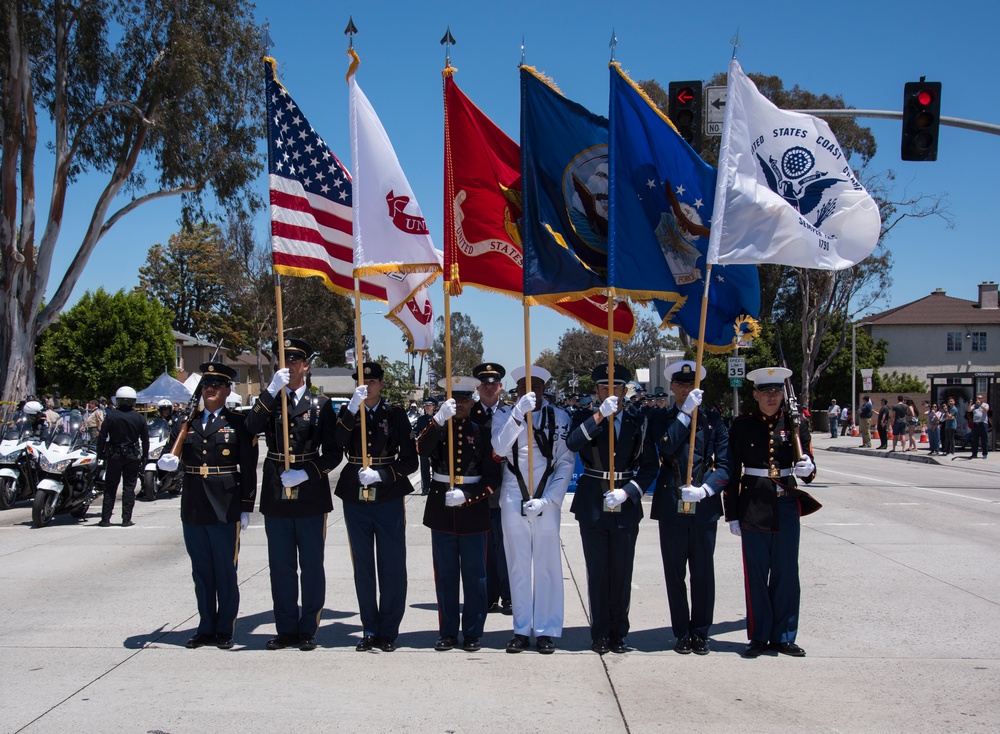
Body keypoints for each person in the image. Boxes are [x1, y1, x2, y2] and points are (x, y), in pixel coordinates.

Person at [246, 339, 343, 652]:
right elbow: (249, 427)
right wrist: (270, 391)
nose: (289, 365)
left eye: (296, 360)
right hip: (276, 490)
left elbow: (333, 454)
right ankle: (286, 628)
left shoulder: (321, 405)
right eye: (283, 359)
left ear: (306, 366)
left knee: (312, 565)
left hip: (310, 493)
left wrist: (306, 473)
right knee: (281, 565)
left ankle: (308, 628)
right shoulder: (270, 400)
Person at [157, 362, 258, 650]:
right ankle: (205, 627)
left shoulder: (238, 423)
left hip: (225, 503)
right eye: (206, 385)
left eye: (216, 385)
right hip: (193, 503)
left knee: (225, 570)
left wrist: (246, 505)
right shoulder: (186, 422)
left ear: (228, 390)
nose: (210, 390)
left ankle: (225, 628)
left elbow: (249, 468)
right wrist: (167, 462)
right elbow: (171, 454)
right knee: (201, 570)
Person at [725, 367, 820, 658]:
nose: (772, 397)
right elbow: (731, 471)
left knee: (787, 573)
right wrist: (732, 513)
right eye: (766, 392)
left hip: (786, 503)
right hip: (753, 502)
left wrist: (809, 469)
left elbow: (809, 465)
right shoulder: (741, 425)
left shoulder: (796, 423)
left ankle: (784, 636)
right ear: (755, 394)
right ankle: (759, 636)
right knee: (756, 574)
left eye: (776, 392)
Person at [568, 363, 658, 655]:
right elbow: (573, 442)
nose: (611, 392)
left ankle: (620, 632)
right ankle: (600, 633)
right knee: (598, 572)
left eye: (616, 387)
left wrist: (628, 492)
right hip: (593, 500)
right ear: (596, 390)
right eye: (604, 387)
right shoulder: (584, 416)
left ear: (624, 389)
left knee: (621, 572)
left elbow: (648, 467)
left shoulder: (638, 420)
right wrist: (599, 415)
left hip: (625, 501)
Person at [333, 361, 418, 652]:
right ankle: (369, 629)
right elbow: (336, 443)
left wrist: (382, 474)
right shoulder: (349, 412)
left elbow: (410, 461)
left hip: (387, 494)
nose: (366, 386)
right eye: (361, 381)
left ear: (382, 384)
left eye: (372, 382)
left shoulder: (395, 415)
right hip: (355, 492)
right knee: (363, 566)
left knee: (391, 564)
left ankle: (389, 631)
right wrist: (351, 408)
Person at [492, 365, 574, 654]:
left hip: (546, 497)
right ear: (516, 391)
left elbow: (565, 461)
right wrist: (517, 414)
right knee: (517, 566)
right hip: (514, 494)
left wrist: (550, 499)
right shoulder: (504, 415)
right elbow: (499, 449)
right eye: (525, 388)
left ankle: (546, 629)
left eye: (536, 388)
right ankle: (520, 629)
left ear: (543, 389)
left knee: (548, 565)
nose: (531, 393)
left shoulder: (559, 417)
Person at [651, 360, 730, 656]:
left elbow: (725, 464)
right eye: (680, 385)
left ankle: (701, 632)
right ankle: (681, 632)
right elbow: (666, 446)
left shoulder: (713, 421)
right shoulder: (663, 417)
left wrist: (706, 489)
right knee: (674, 574)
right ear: (672, 387)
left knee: (703, 573)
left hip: (704, 507)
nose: (685, 389)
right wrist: (684, 415)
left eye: (690, 384)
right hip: (672, 504)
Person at [417, 376, 497, 652]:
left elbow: (493, 476)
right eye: (455, 399)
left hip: (473, 510)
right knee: (446, 575)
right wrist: (438, 421)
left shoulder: (484, 430)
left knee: (476, 576)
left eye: (465, 399)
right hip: (441, 506)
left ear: (473, 399)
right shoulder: (438, 426)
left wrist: (470, 496)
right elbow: (421, 450)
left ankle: (473, 632)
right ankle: (448, 632)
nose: (460, 404)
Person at [471, 362, 512, 616]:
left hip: (506, 488)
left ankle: (508, 596)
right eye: (484, 383)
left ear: (500, 387)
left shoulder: (511, 413)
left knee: (506, 546)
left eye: (493, 384)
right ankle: (487, 595)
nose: (488, 388)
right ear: (478, 387)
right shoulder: (468, 413)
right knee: (483, 548)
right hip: (477, 491)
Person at [96, 386, 149, 527]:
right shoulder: (138, 417)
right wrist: (144, 457)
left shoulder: (111, 415)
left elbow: (102, 436)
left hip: (114, 455)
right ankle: (126, 519)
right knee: (129, 487)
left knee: (110, 487)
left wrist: (99, 453)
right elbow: (145, 439)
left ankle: (105, 519)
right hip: (132, 455)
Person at [414, 397, 437, 495]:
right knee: (424, 468)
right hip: (424, 447)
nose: (427, 407)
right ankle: (426, 488)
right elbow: (416, 430)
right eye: (426, 406)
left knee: (437, 467)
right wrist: (415, 438)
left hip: (436, 447)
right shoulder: (421, 419)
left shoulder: (438, 418)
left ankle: (436, 487)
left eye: (429, 405)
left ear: (434, 407)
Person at [968, 394, 991, 459]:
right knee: (975, 439)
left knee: (984, 439)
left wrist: (980, 404)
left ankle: (985, 453)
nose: (978, 399)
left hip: (983, 424)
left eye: (980, 398)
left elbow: (986, 410)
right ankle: (974, 454)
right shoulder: (974, 406)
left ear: (982, 399)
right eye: (977, 398)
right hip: (976, 424)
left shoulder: (985, 405)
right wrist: (970, 403)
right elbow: (969, 410)